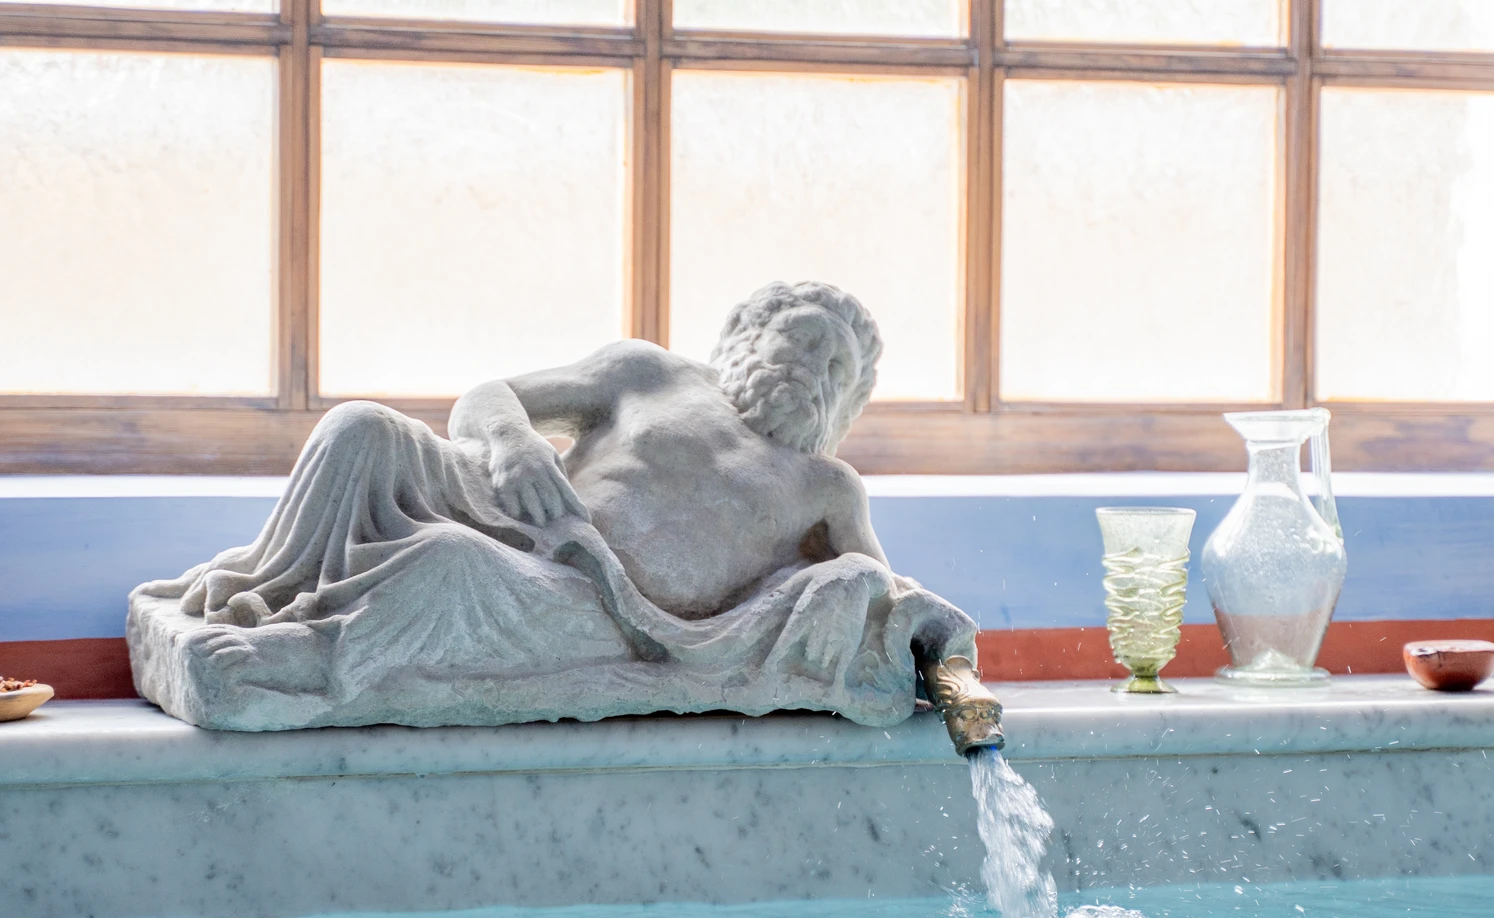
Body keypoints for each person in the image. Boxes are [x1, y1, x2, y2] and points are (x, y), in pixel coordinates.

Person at [129, 282, 977, 731]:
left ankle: (307, 656)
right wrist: (513, 442)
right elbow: (488, 397)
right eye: (806, 338)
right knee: (361, 429)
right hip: (523, 505)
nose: (814, 368)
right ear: (749, 335)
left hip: (599, 605)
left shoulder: (826, 485)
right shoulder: (650, 372)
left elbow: (882, 592)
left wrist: (932, 640)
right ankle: (265, 592)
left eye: (838, 369)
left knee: (448, 565)